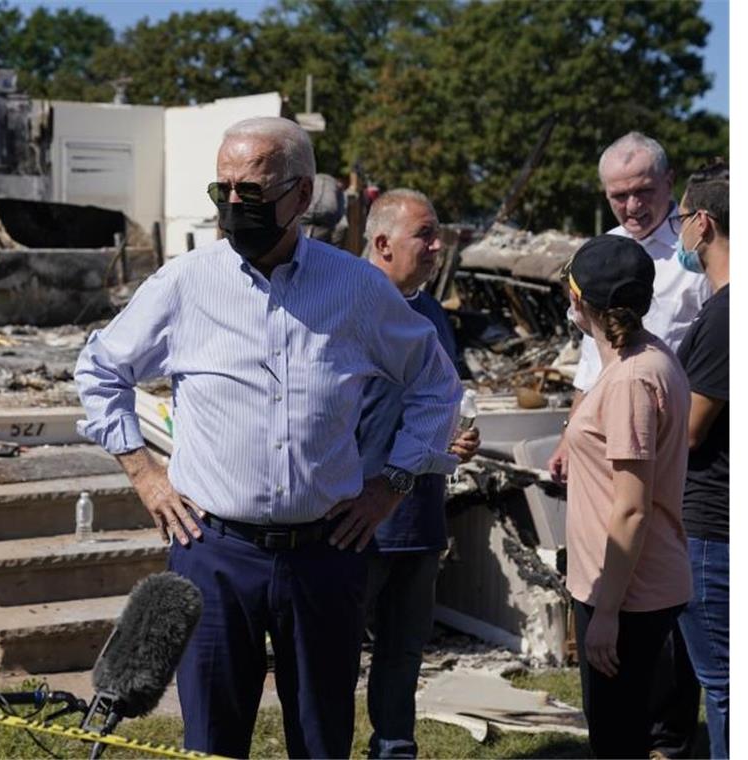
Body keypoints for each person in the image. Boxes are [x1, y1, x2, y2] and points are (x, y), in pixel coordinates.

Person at [73, 117, 464, 759]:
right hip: (214, 552)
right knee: (211, 740)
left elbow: (436, 386)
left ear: (302, 196)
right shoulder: (185, 284)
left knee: (320, 737)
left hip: (326, 553)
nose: (233, 206)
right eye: (221, 190)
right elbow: (99, 369)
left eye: (250, 192)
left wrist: (391, 486)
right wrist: (145, 474)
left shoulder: (356, 288)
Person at [548, 131, 707, 756]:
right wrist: (575, 429)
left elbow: (633, 507)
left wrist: (606, 611)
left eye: (643, 190)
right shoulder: (634, 344)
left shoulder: (642, 370)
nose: (632, 205)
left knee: (622, 728)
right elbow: (595, 360)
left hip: (633, 570)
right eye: (619, 194)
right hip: (628, 433)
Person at [356, 189, 480, 759]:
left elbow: (437, 403)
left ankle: (394, 750)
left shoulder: (430, 313)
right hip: (352, 519)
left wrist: (456, 437)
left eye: (436, 234)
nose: (438, 246)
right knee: (329, 653)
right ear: (382, 243)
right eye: (424, 235)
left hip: (419, 514)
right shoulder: (344, 303)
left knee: (403, 651)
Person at [562, 234, 693, 759]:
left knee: (617, 740)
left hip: (626, 595)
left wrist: (608, 613)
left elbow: (633, 506)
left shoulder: (632, 380)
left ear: (578, 302)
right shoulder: (647, 357)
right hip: (627, 585)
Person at [672, 161, 730, 758]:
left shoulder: (724, 316)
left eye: (682, 218)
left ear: (704, 224)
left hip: (713, 528)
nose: (678, 231)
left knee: (725, 687)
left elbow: (688, 432)